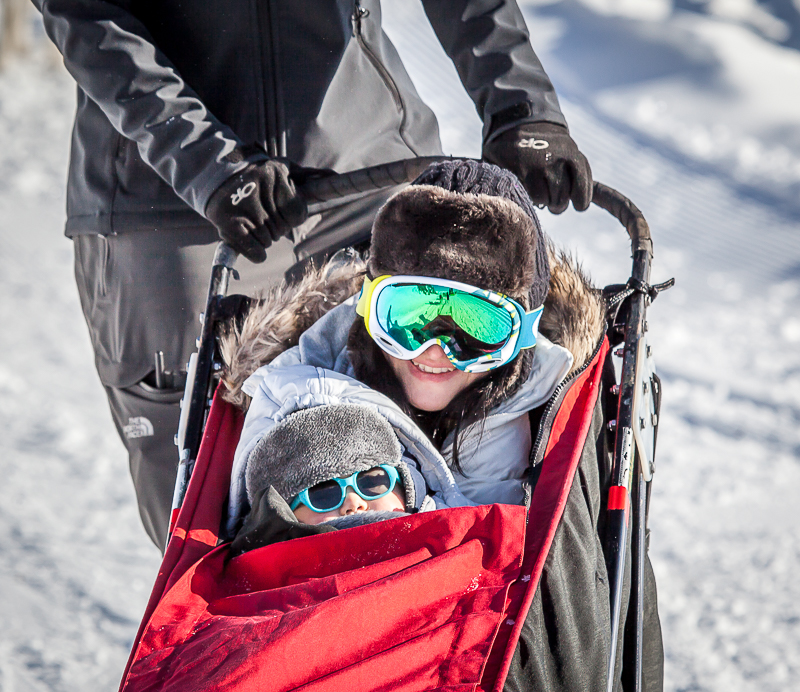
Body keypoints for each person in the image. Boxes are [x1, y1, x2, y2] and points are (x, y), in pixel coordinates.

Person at [34, 0, 594, 548]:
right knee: (203, 515)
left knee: (463, 386)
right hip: (165, 198)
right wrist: (204, 160)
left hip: (364, 157)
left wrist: (522, 106)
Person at [221, 159, 663, 690]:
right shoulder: (307, 392)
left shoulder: (528, 417)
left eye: (478, 326)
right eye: (409, 314)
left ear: (522, 335)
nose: (435, 351)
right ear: (368, 307)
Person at [229, 402, 473, 555]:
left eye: (373, 483)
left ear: (408, 488)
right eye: (322, 494)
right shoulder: (261, 576)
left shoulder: (461, 545)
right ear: (283, 514)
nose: (354, 503)